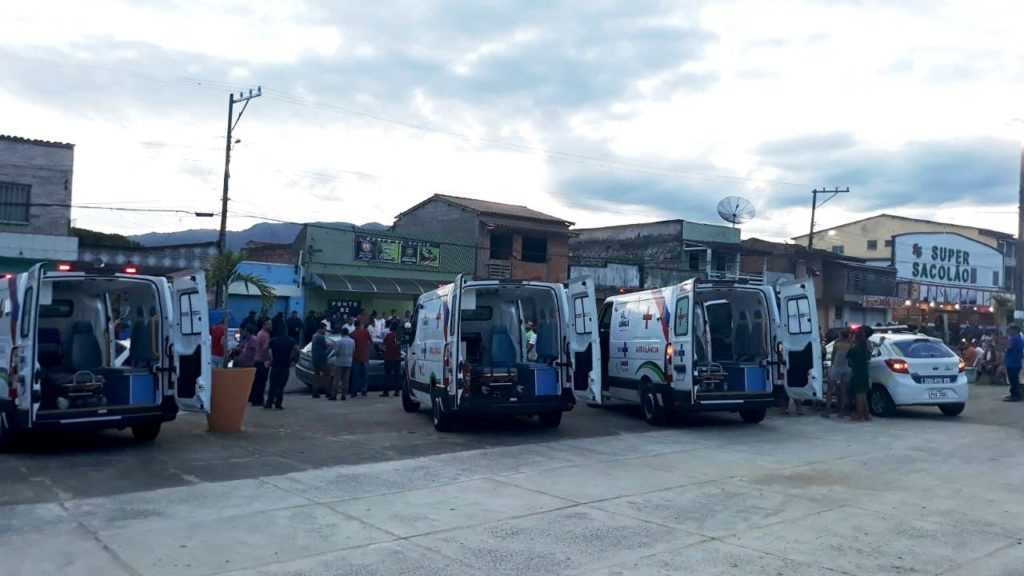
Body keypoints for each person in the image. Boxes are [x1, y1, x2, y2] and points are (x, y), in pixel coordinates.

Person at [266, 324, 297, 410]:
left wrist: (271, 360)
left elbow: (269, 351)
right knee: (281, 385)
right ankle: (278, 403)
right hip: (285, 365)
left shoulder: (273, 340)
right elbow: (295, 350)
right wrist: (291, 359)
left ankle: (269, 402)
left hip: (275, 365)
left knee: (272, 385)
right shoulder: (291, 340)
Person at [823, 329, 852, 418]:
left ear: (841, 336)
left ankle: (827, 410)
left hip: (836, 368)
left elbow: (833, 356)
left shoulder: (837, 344)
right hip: (847, 368)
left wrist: (831, 366)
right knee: (844, 390)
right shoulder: (851, 345)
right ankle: (842, 412)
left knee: (830, 389)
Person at [848, 326, 873, 422]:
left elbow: (849, 361)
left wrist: (851, 343)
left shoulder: (854, 348)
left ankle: (859, 415)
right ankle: (866, 415)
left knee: (858, 395)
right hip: (865, 372)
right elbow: (868, 358)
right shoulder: (866, 348)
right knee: (863, 395)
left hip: (857, 372)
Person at [248, 320, 272, 407]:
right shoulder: (265, 335)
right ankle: (259, 400)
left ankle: (255, 400)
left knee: (257, 382)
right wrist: (269, 359)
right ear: (264, 325)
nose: (271, 326)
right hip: (262, 361)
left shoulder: (259, 333)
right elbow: (265, 348)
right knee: (261, 382)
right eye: (269, 324)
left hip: (257, 360)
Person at [311, 320, 333, 399]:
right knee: (327, 375)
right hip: (322, 359)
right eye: (324, 329)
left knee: (316, 376)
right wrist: (331, 347)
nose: (325, 331)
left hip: (314, 358)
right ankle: (328, 392)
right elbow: (326, 347)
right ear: (321, 329)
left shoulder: (314, 335)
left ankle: (315, 392)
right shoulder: (320, 337)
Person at [351, 319, 372, 397]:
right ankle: (364, 390)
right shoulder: (365, 332)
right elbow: (371, 342)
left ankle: (354, 392)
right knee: (365, 376)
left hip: (355, 357)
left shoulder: (352, 334)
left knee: (355, 376)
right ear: (360, 325)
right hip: (365, 357)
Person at [332, 327, 355, 400]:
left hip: (339, 362)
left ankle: (334, 395)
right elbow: (353, 351)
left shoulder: (339, 341)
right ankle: (343, 395)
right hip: (348, 362)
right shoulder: (352, 341)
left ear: (342, 333)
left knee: (337, 379)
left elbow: (336, 352)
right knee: (346, 380)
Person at [381, 320, 402, 397]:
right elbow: (400, 346)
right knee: (397, 375)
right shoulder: (399, 336)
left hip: (388, 358)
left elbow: (383, 347)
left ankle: (386, 391)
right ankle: (397, 391)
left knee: (387, 375)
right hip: (397, 358)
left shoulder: (388, 336)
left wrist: (384, 352)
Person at [1003, 325, 1023, 402]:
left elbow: (1008, 347)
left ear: (1015, 330)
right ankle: (1013, 394)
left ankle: (1016, 396)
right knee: (1013, 380)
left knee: (1013, 380)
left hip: (1013, 363)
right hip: (1015, 362)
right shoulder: (1019, 338)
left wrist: (1004, 344)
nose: (1009, 331)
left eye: (1010, 330)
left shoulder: (1014, 338)